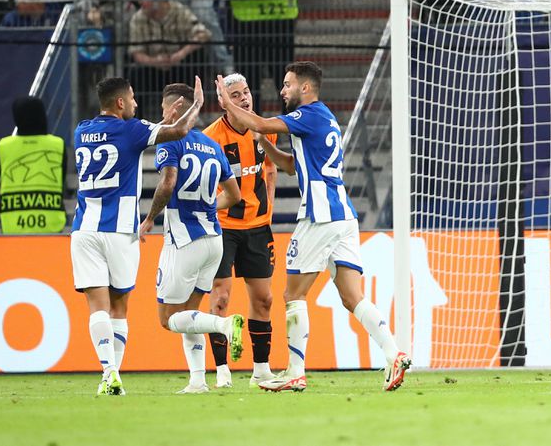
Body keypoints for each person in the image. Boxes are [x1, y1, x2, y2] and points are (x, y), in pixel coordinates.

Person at [215, 62, 411, 392]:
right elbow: (292, 166)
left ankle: (295, 371)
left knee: (293, 294)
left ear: (305, 88)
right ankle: (394, 353)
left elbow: (258, 122)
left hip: (319, 216)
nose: (282, 91)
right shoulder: (324, 118)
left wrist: (226, 99)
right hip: (343, 216)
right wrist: (266, 145)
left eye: (287, 84)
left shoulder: (307, 115)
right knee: (352, 296)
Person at [70, 76, 202, 396]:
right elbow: (180, 131)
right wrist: (197, 104)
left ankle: (109, 374)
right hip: (120, 232)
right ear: (120, 103)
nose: (135, 103)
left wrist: (161, 123)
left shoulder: (81, 131)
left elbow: (139, 134)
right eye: (131, 98)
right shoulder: (132, 129)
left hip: (85, 229)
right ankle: (112, 374)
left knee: (97, 306)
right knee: (119, 307)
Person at [139, 83, 245, 394]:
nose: (162, 115)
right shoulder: (212, 145)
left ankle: (224, 324)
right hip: (214, 239)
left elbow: (168, 182)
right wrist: (207, 205)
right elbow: (234, 195)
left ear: (174, 109)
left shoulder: (172, 141)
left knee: (168, 319)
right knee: (190, 314)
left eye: (164, 109)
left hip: (184, 241)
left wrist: (150, 217)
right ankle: (198, 380)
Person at [202, 73, 278, 389]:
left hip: (258, 227)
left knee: (264, 299)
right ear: (223, 102)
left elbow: (270, 168)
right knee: (220, 297)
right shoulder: (210, 138)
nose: (245, 98)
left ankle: (261, 370)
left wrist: (268, 206)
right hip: (223, 228)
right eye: (236, 95)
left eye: (246, 92)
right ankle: (222, 371)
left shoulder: (265, 128)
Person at [215, 0, 298, 115]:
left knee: (248, 84)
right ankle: (291, 125)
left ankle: (252, 127)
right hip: (281, 22)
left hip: (246, 24)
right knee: (285, 80)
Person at [127, 0, 212, 116]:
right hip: (153, 68)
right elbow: (136, 53)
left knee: (199, 56)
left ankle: (193, 113)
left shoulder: (179, 11)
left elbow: (203, 34)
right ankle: (137, 118)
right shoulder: (138, 18)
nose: (140, 2)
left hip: (179, 66)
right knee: (135, 73)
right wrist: (155, 61)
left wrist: (180, 54)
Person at [0, 96, 66, 233]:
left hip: (12, 226)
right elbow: (61, 179)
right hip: (51, 225)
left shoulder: (3, 146)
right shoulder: (58, 144)